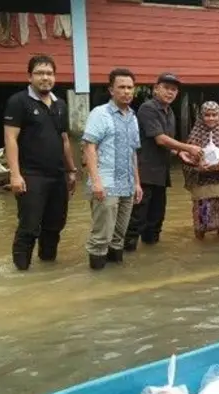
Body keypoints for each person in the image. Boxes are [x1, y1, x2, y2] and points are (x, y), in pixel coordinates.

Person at [3, 54, 78, 271]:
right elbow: (10, 139)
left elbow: (64, 139)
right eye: (39, 73)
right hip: (31, 175)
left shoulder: (60, 104)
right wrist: (15, 175)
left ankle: (47, 268)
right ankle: (22, 272)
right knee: (29, 226)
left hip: (57, 175)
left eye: (49, 73)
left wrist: (71, 170)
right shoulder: (18, 102)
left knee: (55, 226)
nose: (45, 77)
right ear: (29, 77)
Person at [124, 73, 202, 251]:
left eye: (174, 90)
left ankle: (151, 257)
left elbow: (166, 144)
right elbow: (160, 139)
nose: (170, 92)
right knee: (136, 220)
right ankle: (127, 258)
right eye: (166, 88)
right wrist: (188, 148)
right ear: (155, 89)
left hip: (161, 175)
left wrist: (178, 153)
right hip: (144, 174)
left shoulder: (170, 112)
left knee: (156, 219)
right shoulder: (147, 108)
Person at [82, 68, 144, 271]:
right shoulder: (100, 114)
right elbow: (89, 146)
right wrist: (96, 181)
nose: (127, 91)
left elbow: (133, 152)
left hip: (126, 186)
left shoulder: (133, 117)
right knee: (101, 238)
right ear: (111, 90)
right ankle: (97, 283)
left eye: (130, 87)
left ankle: (116, 283)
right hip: (106, 185)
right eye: (122, 87)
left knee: (119, 238)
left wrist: (137, 183)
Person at [179, 101, 219, 239]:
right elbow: (185, 162)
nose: (211, 118)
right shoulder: (195, 136)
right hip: (202, 186)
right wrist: (198, 168)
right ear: (201, 116)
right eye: (207, 115)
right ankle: (200, 249)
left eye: (214, 115)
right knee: (200, 222)